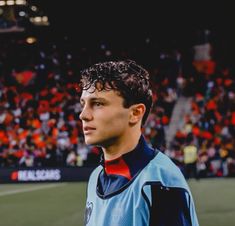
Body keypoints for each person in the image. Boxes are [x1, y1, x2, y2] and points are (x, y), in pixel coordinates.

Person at [79, 59, 199, 226]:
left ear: (135, 113)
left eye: (98, 103)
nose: (83, 115)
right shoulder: (96, 178)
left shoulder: (159, 183)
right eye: (83, 104)